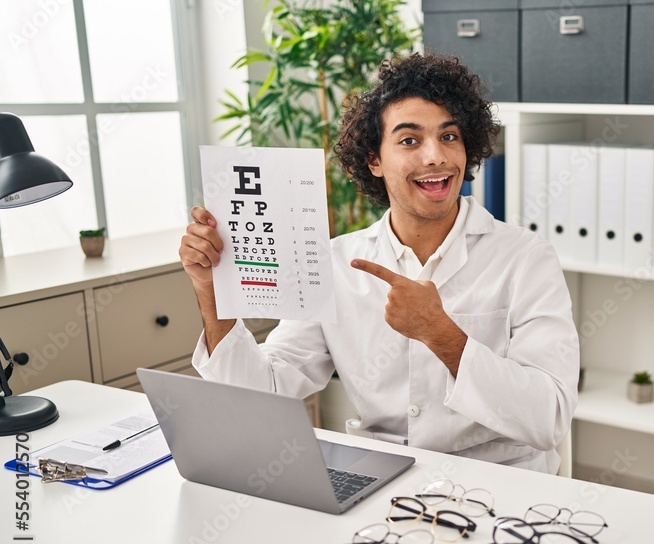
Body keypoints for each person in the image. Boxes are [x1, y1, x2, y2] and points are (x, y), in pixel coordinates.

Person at [178, 54, 579, 473]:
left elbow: (549, 417)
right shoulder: (336, 264)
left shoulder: (526, 258)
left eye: (449, 137)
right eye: (409, 141)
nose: (434, 157)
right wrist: (212, 291)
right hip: (383, 480)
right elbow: (264, 392)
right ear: (374, 160)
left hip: (503, 484)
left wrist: (441, 335)